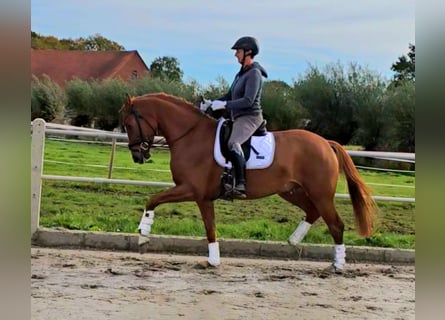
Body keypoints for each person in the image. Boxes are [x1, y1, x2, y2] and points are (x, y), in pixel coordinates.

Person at [204, 36, 268, 199]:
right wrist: (213, 103)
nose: (236, 55)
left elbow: (248, 100)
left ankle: (240, 184)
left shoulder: (254, 73)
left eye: (238, 51)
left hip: (250, 117)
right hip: (237, 116)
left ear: (248, 52)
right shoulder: (241, 74)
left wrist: (225, 106)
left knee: (233, 143)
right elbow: (230, 95)